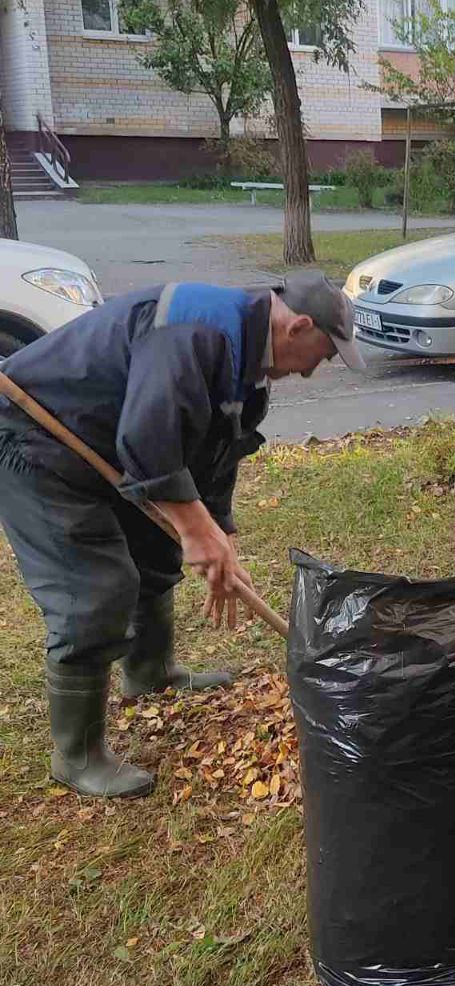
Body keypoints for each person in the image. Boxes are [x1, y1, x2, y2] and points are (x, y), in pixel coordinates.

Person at [0, 273, 364, 798]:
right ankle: (76, 756)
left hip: (106, 443)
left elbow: (215, 452)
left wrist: (219, 530)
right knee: (95, 589)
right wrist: (196, 530)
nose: (313, 370)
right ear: (299, 326)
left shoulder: (251, 360)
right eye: (324, 354)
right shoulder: (196, 330)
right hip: (35, 439)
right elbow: (147, 438)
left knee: (155, 547)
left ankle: (149, 671)